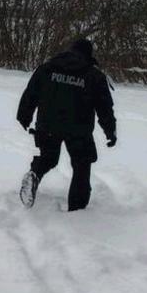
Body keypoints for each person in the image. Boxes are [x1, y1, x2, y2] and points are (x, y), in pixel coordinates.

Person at [16, 38, 116, 211]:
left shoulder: (47, 68)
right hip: (79, 130)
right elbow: (104, 108)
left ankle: (34, 174)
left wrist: (24, 116)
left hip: (47, 125)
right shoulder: (94, 76)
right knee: (81, 165)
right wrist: (110, 131)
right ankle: (77, 210)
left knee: (48, 158)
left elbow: (31, 93)